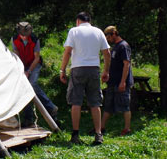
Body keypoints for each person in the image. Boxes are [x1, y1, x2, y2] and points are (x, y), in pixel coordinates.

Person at [59, 11, 110, 145]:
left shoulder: (74, 31)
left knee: (76, 102)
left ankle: (75, 134)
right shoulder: (98, 32)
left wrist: (62, 69)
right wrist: (106, 71)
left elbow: (68, 51)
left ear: (78, 21)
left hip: (78, 68)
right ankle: (98, 134)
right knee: (95, 102)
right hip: (94, 69)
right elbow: (107, 53)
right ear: (89, 21)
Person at [11, 21, 58, 126]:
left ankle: (51, 107)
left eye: (26, 35)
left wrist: (29, 71)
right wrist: (22, 70)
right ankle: (28, 118)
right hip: (22, 64)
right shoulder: (14, 40)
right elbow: (16, 56)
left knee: (32, 84)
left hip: (34, 64)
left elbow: (36, 58)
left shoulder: (35, 40)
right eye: (22, 35)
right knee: (24, 87)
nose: (24, 37)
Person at [101, 25, 133, 135]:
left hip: (121, 82)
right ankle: (101, 127)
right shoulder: (115, 47)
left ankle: (127, 128)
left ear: (114, 34)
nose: (108, 40)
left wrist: (123, 81)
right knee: (108, 106)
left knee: (125, 106)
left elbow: (126, 64)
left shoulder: (123, 46)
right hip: (112, 82)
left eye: (109, 37)